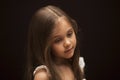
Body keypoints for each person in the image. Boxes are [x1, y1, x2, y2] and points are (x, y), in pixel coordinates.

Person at [26, 5, 86, 80]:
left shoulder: (76, 65)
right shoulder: (44, 76)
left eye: (69, 34)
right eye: (58, 40)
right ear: (44, 44)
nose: (67, 43)